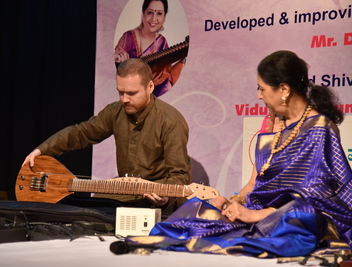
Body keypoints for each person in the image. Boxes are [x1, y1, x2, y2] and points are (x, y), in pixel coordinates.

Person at [123, 50, 352, 257]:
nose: (259, 96)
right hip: (259, 213)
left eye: (262, 89)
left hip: (296, 218)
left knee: (302, 216)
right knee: (201, 210)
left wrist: (257, 215)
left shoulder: (319, 128)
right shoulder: (274, 123)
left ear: (283, 89)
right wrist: (233, 203)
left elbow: (316, 197)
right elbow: (255, 183)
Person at [23, 58, 191, 215]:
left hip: (156, 199)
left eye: (132, 93)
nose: (125, 99)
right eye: (121, 92)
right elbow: (81, 133)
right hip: (125, 193)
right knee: (83, 212)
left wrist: (165, 198)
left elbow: (179, 176)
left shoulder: (170, 121)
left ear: (150, 87)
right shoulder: (115, 111)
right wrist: (41, 150)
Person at [114, 0, 186, 97]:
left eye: (159, 13)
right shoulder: (129, 37)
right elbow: (117, 63)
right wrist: (119, 60)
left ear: (164, 18)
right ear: (143, 14)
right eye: (150, 12)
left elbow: (165, 74)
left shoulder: (162, 41)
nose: (154, 18)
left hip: (157, 94)